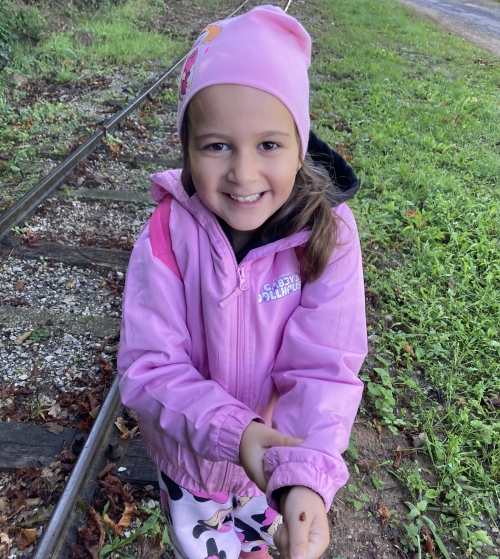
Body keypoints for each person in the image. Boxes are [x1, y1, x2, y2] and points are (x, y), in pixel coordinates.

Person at [118, 6, 367, 559]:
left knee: (262, 540)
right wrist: (238, 434)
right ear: (187, 149)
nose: (244, 174)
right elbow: (150, 366)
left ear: (301, 144)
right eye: (217, 146)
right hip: (189, 462)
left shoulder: (329, 235)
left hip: (274, 464)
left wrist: (303, 479)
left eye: (269, 145)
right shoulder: (167, 233)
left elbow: (325, 366)